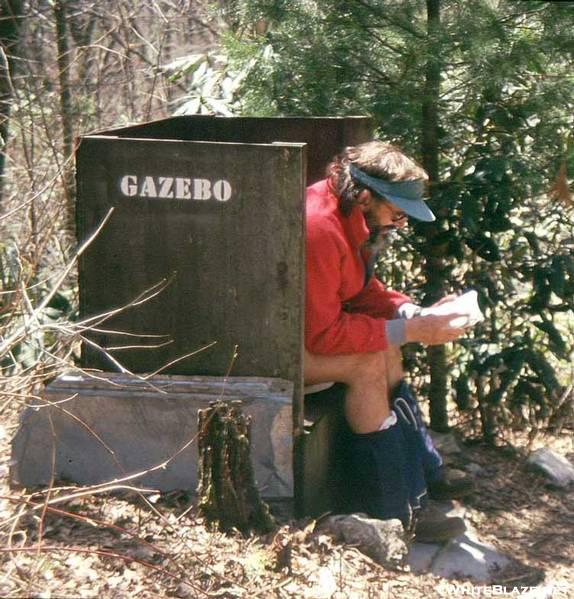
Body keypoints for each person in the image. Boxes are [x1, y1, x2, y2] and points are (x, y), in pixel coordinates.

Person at [304, 141, 473, 542]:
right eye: (397, 213)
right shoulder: (320, 228)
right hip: (266, 346)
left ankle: (425, 473)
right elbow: (322, 334)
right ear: (364, 196)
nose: (400, 223)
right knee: (364, 365)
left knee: (387, 347)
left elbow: (359, 291)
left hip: (303, 331)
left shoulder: (348, 214)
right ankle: (398, 512)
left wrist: (412, 315)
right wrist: (412, 330)